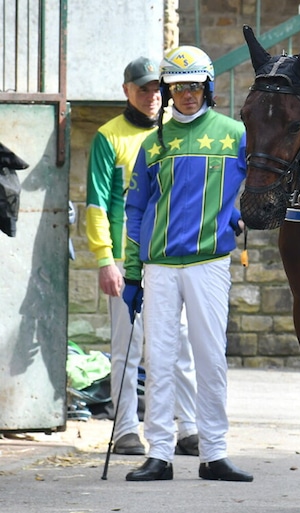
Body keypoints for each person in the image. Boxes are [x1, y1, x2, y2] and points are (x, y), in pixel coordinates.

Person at [122, 45, 251, 482]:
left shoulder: (236, 134)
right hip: (158, 266)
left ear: (208, 87)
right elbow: (135, 208)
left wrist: (239, 214)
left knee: (210, 357)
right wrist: (133, 270)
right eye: (178, 88)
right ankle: (158, 453)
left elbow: (267, 183)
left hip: (209, 262)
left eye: (195, 86)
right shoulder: (153, 143)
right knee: (157, 358)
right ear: (168, 91)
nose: (187, 95)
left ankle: (214, 454)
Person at [84, 56, 200, 457]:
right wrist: (105, 259)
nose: (152, 96)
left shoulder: (175, 134)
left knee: (180, 343)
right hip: (124, 259)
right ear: (126, 91)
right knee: (127, 348)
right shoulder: (107, 137)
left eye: (156, 89)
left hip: (170, 257)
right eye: (143, 89)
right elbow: (96, 204)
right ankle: (126, 429)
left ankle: (188, 428)